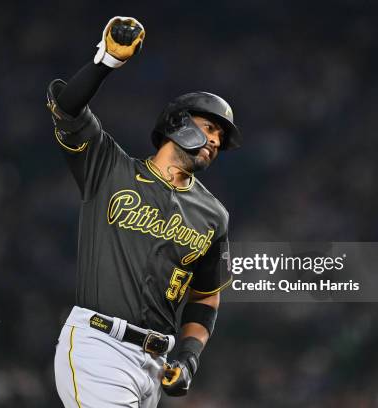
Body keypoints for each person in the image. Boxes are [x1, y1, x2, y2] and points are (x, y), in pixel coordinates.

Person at [47, 16, 242, 408]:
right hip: (99, 346)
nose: (216, 140)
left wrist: (188, 358)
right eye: (210, 127)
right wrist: (106, 63)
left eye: (221, 136)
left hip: (154, 364)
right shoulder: (110, 169)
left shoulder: (213, 215)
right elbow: (66, 109)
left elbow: (205, 299)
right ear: (177, 124)